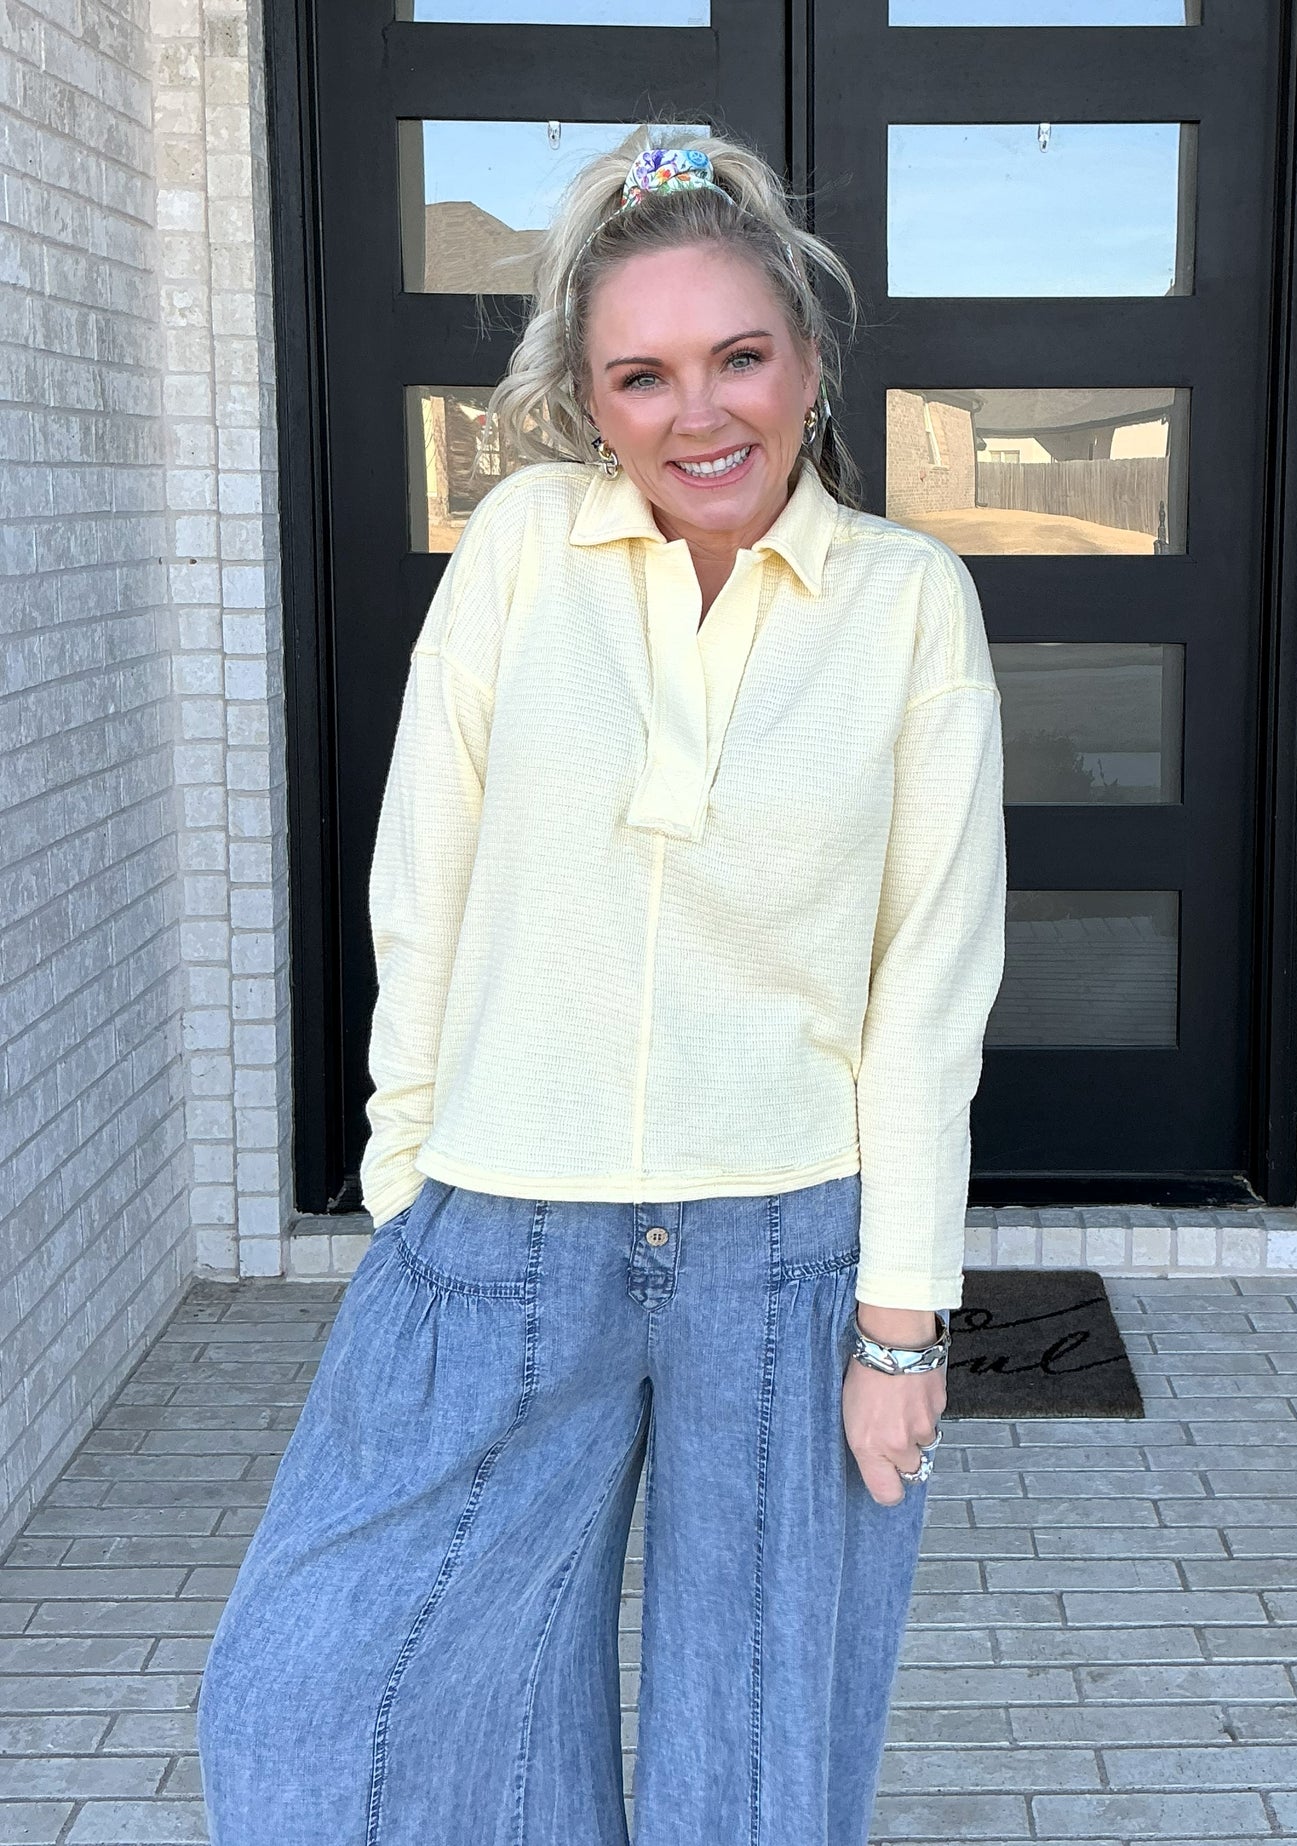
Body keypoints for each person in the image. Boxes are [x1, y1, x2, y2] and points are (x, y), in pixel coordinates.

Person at [197, 128, 1007, 1846]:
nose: (696, 415)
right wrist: (411, 1183)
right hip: (501, 1228)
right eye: (641, 374)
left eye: (738, 357)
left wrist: (900, 1318)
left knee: (757, 1766)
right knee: (324, 1696)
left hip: (786, 1253)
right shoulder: (518, 555)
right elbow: (423, 882)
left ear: (806, 356)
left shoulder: (908, 606)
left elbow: (927, 982)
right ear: (585, 388)